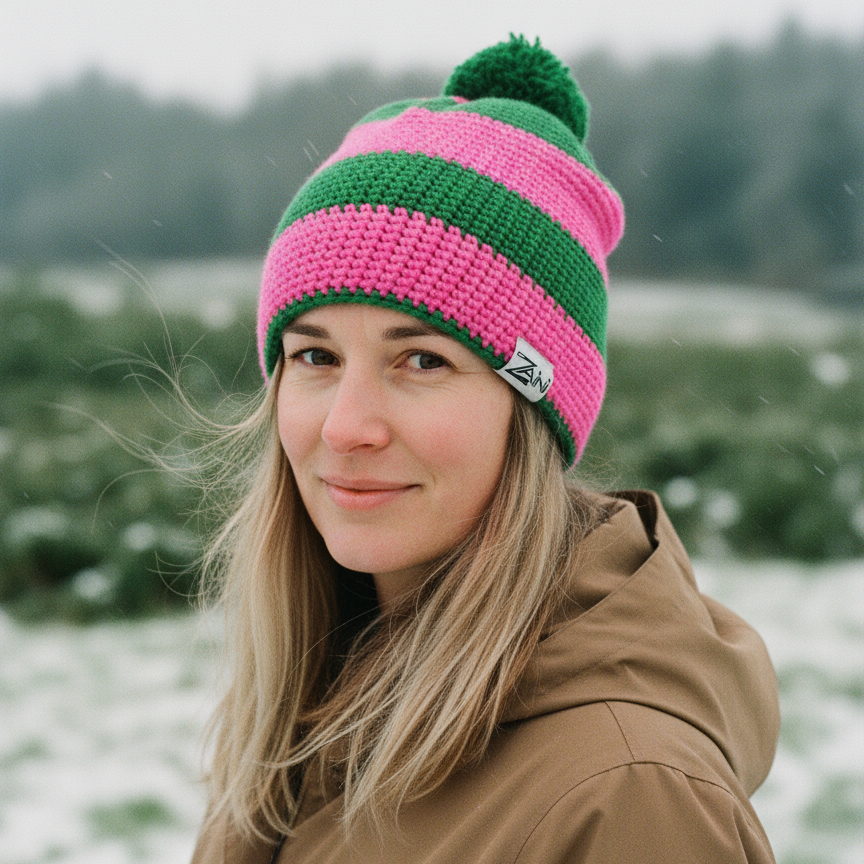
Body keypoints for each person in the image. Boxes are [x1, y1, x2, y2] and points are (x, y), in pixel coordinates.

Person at [190, 36, 779, 863]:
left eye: (422, 360)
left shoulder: (629, 799)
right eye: (315, 356)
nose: (346, 426)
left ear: (533, 409)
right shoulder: (310, 708)